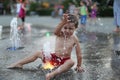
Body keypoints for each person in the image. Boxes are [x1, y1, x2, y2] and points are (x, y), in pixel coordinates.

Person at [7, 14, 84, 80]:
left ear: (75, 28)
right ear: (62, 27)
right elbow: (55, 31)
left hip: (64, 63)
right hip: (54, 59)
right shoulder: (60, 34)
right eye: (65, 27)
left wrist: (79, 65)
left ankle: (53, 74)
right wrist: (63, 22)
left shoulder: (74, 39)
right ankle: (19, 63)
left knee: (71, 62)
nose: (67, 31)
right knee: (38, 53)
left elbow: (79, 54)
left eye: (70, 29)